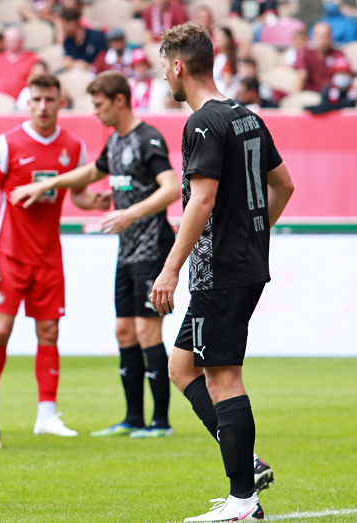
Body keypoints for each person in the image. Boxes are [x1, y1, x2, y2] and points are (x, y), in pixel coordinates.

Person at [153, 21, 294, 522]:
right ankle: (247, 467)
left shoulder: (203, 123)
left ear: (178, 66)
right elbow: (285, 185)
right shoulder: (247, 117)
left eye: (163, 68)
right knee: (181, 367)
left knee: (224, 378)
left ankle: (242, 502)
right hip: (240, 265)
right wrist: (254, 234)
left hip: (221, 272)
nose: (164, 79)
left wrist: (171, 268)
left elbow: (203, 199)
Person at [11, 71, 180, 439]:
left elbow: (172, 188)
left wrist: (129, 213)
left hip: (153, 248)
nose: (95, 112)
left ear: (120, 101)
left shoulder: (147, 139)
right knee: (123, 331)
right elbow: (90, 172)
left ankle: (161, 422)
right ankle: (133, 418)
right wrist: (47, 183)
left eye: (100, 105)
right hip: (127, 251)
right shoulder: (116, 142)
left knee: (146, 330)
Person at [0, 73, 103, 438]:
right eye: (37, 100)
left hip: (48, 256)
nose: (43, 107)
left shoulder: (73, 147)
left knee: (49, 331)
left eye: (49, 100)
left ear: (60, 103)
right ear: (27, 103)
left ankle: (47, 415)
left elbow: (77, 194)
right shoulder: (8, 143)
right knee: (0, 331)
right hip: (9, 254)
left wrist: (94, 202)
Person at [290, 22, 349, 93]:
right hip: (312, 93)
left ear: (331, 36)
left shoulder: (338, 54)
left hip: (333, 93)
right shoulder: (307, 54)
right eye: (319, 35)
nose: (323, 39)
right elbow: (302, 74)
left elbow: (344, 76)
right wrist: (295, 95)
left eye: (326, 35)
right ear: (313, 36)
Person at [0, 28, 39, 98]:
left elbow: (37, 83)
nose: (9, 42)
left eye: (13, 40)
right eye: (7, 40)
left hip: (22, 103)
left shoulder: (33, 58)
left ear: (22, 41)